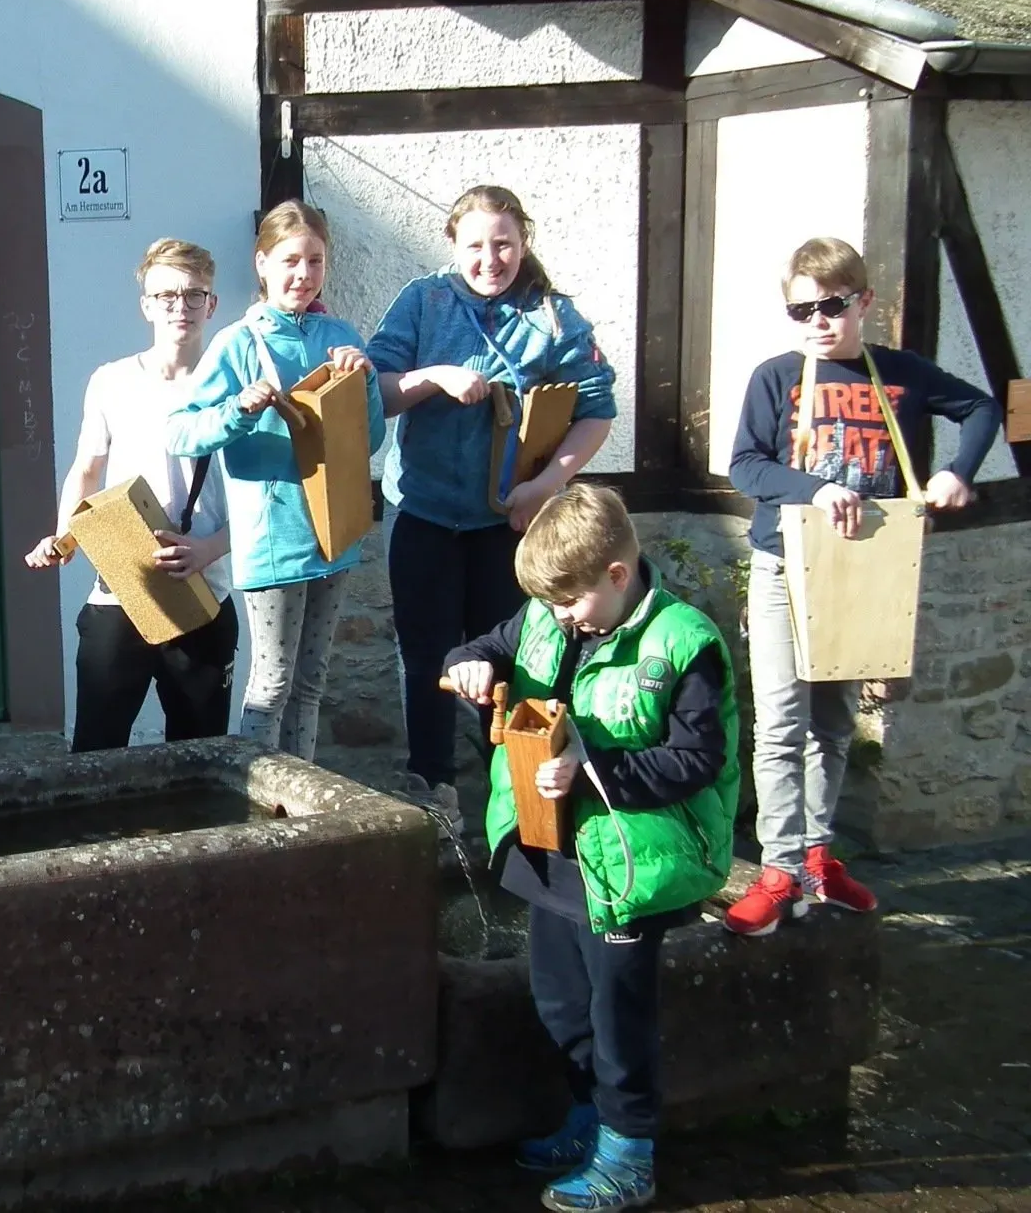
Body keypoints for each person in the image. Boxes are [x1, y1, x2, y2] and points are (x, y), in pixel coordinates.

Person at [444, 483, 739, 1213]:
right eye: (547, 605)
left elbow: (697, 759)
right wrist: (472, 661)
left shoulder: (684, 643)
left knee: (619, 1016)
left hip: (632, 862)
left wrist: (592, 770)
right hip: (555, 856)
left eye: (569, 602)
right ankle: (587, 1117)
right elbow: (493, 646)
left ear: (616, 574)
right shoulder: (549, 614)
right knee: (561, 1001)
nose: (558, 617)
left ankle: (629, 1152)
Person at [723, 237, 1000, 936]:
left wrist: (957, 471)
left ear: (863, 302)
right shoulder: (776, 377)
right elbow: (746, 466)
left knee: (832, 724)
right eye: (802, 310)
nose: (818, 321)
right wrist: (815, 489)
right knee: (779, 724)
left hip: (863, 572)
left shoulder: (900, 374)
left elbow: (982, 408)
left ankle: (819, 858)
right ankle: (780, 871)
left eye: (833, 306)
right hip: (785, 567)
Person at [368, 185, 617, 794]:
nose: (490, 260)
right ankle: (434, 791)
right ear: (452, 244)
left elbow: (596, 411)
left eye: (503, 244)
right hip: (422, 514)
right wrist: (435, 377)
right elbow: (377, 393)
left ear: (523, 242)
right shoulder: (423, 300)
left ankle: (514, 794)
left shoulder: (553, 317)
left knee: (510, 661)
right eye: (475, 245)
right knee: (426, 660)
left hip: (508, 522)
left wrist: (546, 485)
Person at [167, 201, 385, 762]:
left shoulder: (340, 335)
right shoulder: (238, 342)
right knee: (271, 686)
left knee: (310, 685)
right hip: (273, 543)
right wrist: (238, 409)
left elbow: (370, 440)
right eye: (290, 260)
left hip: (335, 537)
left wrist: (364, 382)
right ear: (261, 263)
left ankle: (298, 800)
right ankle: (255, 798)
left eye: (315, 261)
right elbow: (181, 432)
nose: (303, 275)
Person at [24, 239, 237, 751]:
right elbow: (86, 470)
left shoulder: (235, 387)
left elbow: (265, 499)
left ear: (211, 304)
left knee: (200, 758)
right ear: (146, 305)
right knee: (95, 754)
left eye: (193, 294)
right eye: (166, 296)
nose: (180, 307)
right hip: (120, 589)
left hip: (203, 591)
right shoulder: (111, 381)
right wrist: (65, 536)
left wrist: (209, 549)